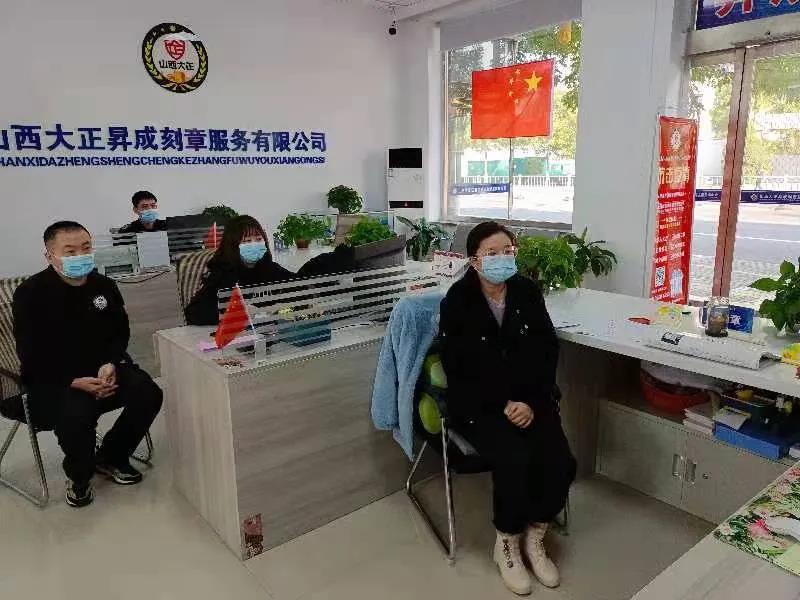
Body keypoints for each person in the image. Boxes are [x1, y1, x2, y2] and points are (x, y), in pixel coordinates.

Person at [438, 221, 576, 596]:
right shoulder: (458, 301)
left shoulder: (526, 292)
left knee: (560, 461)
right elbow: (458, 368)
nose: (503, 258)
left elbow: (547, 351)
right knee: (514, 456)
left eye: (508, 251)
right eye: (492, 253)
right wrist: (504, 404)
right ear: (474, 261)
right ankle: (507, 543)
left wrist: (530, 401)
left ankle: (535, 535)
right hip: (482, 405)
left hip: (531, 399)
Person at [12, 221, 163, 508]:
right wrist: (72, 380)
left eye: (85, 248)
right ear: (49, 256)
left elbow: (120, 332)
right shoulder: (31, 293)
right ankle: (79, 478)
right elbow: (30, 353)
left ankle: (111, 456)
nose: (80, 256)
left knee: (148, 392)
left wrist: (111, 363)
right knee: (77, 414)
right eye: (70, 251)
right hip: (54, 379)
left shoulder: (103, 285)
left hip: (103, 371)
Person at [184, 215, 295, 326]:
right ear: (233, 246)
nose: (254, 245)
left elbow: (297, 285)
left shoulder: (269, 267)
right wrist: (238, 312)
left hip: (266, 331)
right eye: (247, 241)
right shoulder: (223, 273)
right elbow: (194, 313)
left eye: (258, 239)